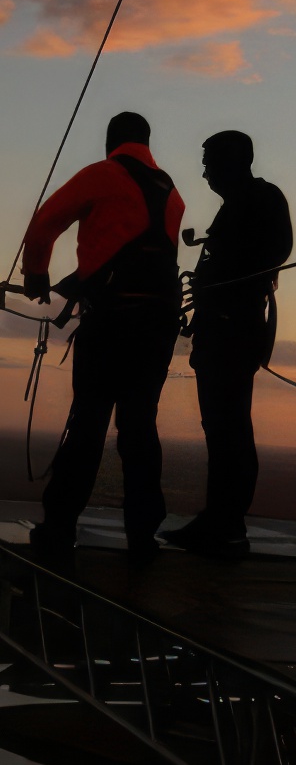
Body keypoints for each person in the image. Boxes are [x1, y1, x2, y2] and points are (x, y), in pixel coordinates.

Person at [22, 112, 184, 564]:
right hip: (158, 323)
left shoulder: (103, 174)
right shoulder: (171, 193)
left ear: (111, 141)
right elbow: (127, 245)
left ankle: (58, 530)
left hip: (112, 321)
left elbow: (44, 224)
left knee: (89, 423)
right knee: (139, 426)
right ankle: (142, 534)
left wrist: (36, 275)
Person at [165, 131, 291, 560]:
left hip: (232, 329)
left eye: (209, 162)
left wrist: (222, 281)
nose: (204, 171)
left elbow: (273, 253)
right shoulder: (247, 203)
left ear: (232, 163)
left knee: (228, 429)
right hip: (226, 327)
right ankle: (222, 520)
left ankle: (225, 523)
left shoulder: (258, 200)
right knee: (224, 428)